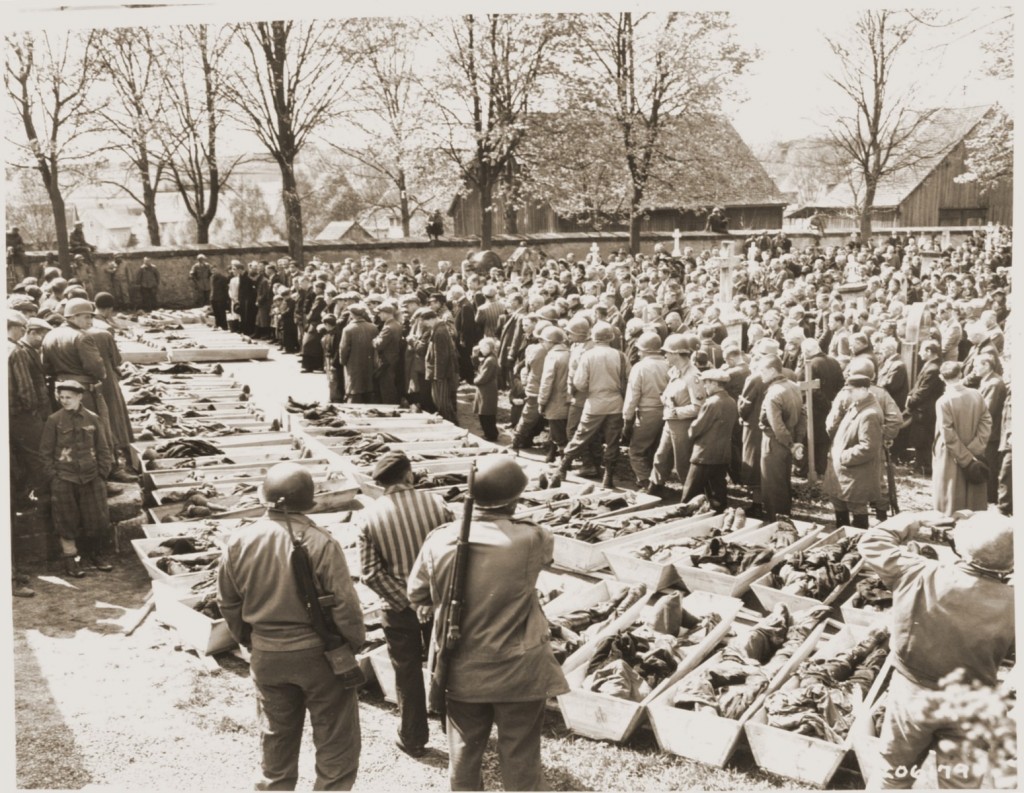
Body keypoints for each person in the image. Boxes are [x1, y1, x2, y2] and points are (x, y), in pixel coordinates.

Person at [407, 455, 569, 791]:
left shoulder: (439, 539)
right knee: (521, 755)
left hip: (460, 667)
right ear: (514, 498)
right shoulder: (533, 538)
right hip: (519, 669)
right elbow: (545, 556)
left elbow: (416, 592)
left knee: (463, 754)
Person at [217, 463, 365, 791]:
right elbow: (346, 607)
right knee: (336, 748)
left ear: (265, 498)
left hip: (267, 655)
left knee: (276, 747)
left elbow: (228, 602)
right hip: (320, 657)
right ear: (309, 501)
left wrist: (251, 641)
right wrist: (351, 646)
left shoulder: (239, 540)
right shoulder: (321, 542)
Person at [859, 511, 1014, 788]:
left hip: (911, 693)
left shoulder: (919, 571)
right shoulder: (1014, 601)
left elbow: (872, 541)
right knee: (960, 783)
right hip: (972, 704)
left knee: (893, 773)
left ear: (960, 546)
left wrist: (917, 519)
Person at [358, 451, 454, 758]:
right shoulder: (437, 504)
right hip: (439, 605)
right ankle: (455, 731)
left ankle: (413, 737)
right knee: (447, 666)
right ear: (409, 476)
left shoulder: (369, 517)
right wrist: (429, 599)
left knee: (407, 672)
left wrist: (409, 601)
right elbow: (456, 554)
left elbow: (371, 573)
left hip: (399, 611)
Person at [40, 380, 114, 578]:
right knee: (65, 520)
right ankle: (71, 560)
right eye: (61, 397)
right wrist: (54, 478)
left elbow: (104, 448)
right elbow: (45, 453)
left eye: (69, 397)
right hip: (64, 478)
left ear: (80, 397)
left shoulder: (93, 419)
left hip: (91, 477)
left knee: (96, 518)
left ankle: (96, 555)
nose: (64, 401)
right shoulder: (54, 421)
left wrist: (101, 474)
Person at [555, 321, 630, 489]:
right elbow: (628, 379)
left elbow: (580, 383)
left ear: (594, 337)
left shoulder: (587, 355)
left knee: (580, 437)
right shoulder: (621, 355)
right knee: (612, 442)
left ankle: (562, 468)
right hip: (616, 403)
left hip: (594, 402)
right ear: (611, 337)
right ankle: (608, 477)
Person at [822, 371, 883, 529]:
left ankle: (857, 543)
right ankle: (842, 536)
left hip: (855, 471)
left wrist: (843, 457)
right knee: (838, 501)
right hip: (845, 470)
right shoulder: (857, 405)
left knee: (856, 506)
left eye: (851, 390)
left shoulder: (870, 414)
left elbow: (868, 447)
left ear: (863, 390)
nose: (848, 394)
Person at [648, 334, 705, 499]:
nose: (665, 355)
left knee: (683, 462)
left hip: (683, 425)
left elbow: (699, 406)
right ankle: (655, 486)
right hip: (671, 422)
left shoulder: (693, 376)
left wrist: (676, 412)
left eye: (667, 352)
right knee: (661, 456)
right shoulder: (675, 371)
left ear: (677, 354)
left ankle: (691, 495)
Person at [932, 362, 991, 515]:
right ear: (961, 374)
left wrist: (964, 456)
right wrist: (976, 447)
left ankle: (950, 523)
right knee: (973, 495)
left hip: (951, 454)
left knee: (951, 492)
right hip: (975, 451)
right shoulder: (976, 394)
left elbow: (947, 433)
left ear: (941, 377)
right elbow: (986, 420)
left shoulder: (943, 401)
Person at [681, 368, 737, 512]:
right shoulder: (731, 401)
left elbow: (697, 428)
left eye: (706, 383)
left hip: (704, 454)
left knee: (690, 493)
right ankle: (719, 515)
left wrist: (689, 430)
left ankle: (683, 517)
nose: (704, 386)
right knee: (718, 491)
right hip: (722, 454)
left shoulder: (711, 403)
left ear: (714, 383)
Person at [758, 354, 805, 520]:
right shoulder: (794, 386)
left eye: (762, 370)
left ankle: (775, 522)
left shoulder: (773, 393)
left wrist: (792, 444)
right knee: (783, 483)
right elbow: (803, 415)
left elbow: (777, 426)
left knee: (772, 486)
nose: (760, 373)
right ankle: (784, 517)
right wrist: (797, 442)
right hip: (788, 439)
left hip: (774, 442)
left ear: (772, 371)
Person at [622, 331, 669, 489]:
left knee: (636, 451)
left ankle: (645, 482)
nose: (639, 353)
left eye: (640, 350)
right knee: (657, 450)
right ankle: (657, 481)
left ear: (645, 350)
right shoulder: (669, 364)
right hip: (668, 412)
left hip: (647, 413)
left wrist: (627, 420)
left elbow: (632, 397)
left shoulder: (640, 367)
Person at [900, 340, 943, 475]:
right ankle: (920, 465)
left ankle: (925, 467)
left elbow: (924, 390)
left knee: (924, 439)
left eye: (921, 350)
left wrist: (911, 401)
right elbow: (918, 385)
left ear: (929, 352)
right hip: (921, 408)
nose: (918, 353)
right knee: (919, 438)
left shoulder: (933, 369)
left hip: (925, 410)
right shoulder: (930, 366)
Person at [536, 325, 570, 463]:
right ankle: (553, 454)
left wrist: (541, 401)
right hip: (568, 401)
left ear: (551, 342)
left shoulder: (552, 356)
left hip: (555, 401)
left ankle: (564, 464)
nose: (542, 344)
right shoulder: (570, 353)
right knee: (561, 431)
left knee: (558, 434)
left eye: (543, 341)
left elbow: (547, 381)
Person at [424, 309, 460, 425]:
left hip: (441, 375)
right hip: (441, 373)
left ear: (431, 319)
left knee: (442, 403)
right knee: (442, 402)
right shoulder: (440, 328)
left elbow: (441, 356)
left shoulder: (439, 332)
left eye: (426, 322)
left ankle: (452, 424)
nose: (426, 325)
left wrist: (438, 376)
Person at [339, 303, 378, 403]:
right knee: (368, 387)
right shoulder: (373, 327)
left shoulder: (348, 329)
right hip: (369, 363)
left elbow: (344, 348)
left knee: (354, 388)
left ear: (352, 314)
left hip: (353, 363)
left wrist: (343, 361)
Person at [373, 301, 404, 405]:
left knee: (387, 388)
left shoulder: (388, 328)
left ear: (386, 313)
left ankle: (390, 408)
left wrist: (374, 340)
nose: (379, 315)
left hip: (386, 361)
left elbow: (378, 344)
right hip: (393, 359)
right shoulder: (397, 324)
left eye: (380, 313)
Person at [472, 338, 500, 442]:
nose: (480, 350)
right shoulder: (490, 358)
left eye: (482, 347)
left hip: (487, 390)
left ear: (488, 348)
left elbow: (483, 377)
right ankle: (490, 433)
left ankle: (491, 435)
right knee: (486, 413)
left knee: (486, 414)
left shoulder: (490, 360)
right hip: (486, 389)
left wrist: (475, 380)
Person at [209, 260, 230, 330]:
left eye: (215, 270)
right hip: (213, 297)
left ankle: (224, 326)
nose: (213, 272)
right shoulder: (211, 278)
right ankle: (217, 324)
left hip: (221, 298)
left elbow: (225, 289)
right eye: (212, 271)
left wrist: (226, 298)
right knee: (216, 312)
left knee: (221, 312)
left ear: (218, 270)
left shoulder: (223, 278)